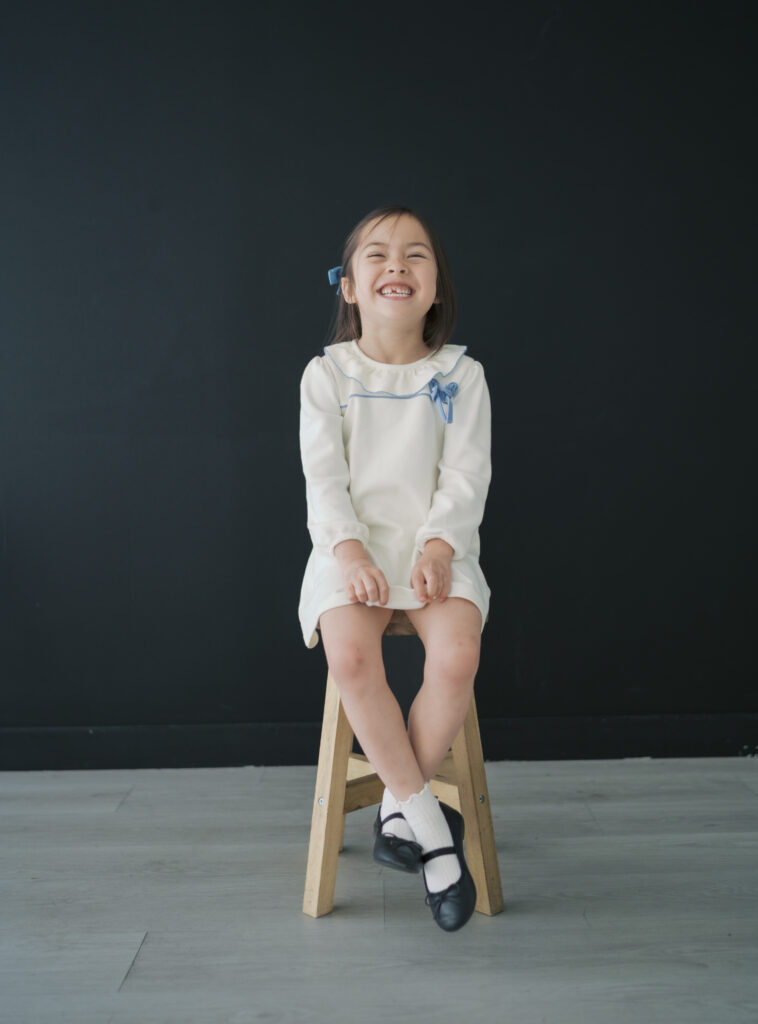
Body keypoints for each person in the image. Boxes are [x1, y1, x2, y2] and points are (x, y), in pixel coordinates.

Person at [297, 204, 492, 931]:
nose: (396, 266)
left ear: (435, 287)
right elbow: (324, 480)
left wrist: (439, 545)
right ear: (348, 286)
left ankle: (393, 807)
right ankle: (432, 829)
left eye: (415, 256)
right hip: (348, 546)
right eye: (376, 256)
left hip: (439, 546)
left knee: (456, 655)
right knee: (350, 653)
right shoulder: (327, 375)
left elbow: (465, 475)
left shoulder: (460, 375)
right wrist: (346, 549)